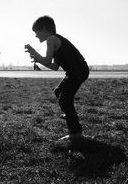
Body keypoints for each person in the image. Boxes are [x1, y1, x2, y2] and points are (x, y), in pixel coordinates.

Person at [25, 15, 89, 144]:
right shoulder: (55, 40)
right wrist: (38, 58)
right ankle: (70, 115)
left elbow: (47, 60)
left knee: (65, 100)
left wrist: (34, 52)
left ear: (43, 29)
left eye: (36, 32)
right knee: (58, 92)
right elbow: (54, 66)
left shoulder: (52, 39)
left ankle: (76, 134)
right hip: (75, 72)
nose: (36, 36)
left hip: (78, 72)